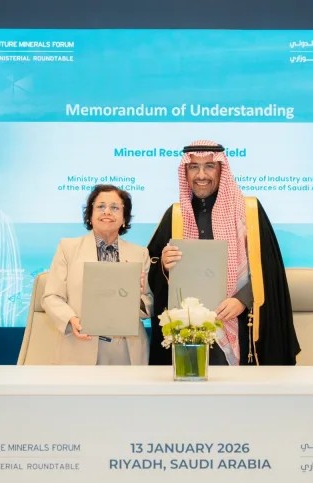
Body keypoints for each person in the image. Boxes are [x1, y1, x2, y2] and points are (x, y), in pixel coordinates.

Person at [147, 140, 299, 366]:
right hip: (191, 329)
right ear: (185, 172)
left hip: (241, 320)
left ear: (221, 170)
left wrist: (242, 299)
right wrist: (163, 266)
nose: (201, 175)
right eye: (194, 167)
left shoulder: (249, 212)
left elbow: (269, 269)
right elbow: (152, 269)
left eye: (209, 166)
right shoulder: (176, 215)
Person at [42, 184, 153, 365]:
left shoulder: (140, 254)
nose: (107, 212)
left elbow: (149, 304)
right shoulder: (67, 248)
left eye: (115, 207)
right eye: (101, 206)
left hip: (126, 350)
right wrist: (70, 319)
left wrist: (136, 296)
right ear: (90, 215)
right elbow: (51, 296)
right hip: (81, 344)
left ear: (124, 218)